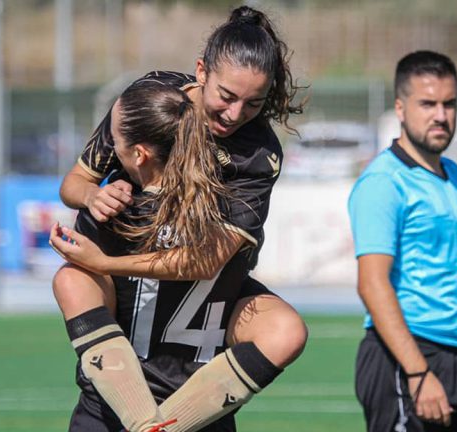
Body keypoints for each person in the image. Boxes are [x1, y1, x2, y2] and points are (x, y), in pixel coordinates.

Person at [51, 6, 308, 432]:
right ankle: (138, 418)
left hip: (198, 354)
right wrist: (94, 196)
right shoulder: (150, 99)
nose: (234, 114)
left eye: (253, 104)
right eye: (226, 96)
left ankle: (163, 427)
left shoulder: (257, 154)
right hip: (121, 347)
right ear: (201, 70)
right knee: (70, 279)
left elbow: (205, 261)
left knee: (285, 329)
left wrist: (106, 263)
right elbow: (75, 182)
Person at [348, 50, 457, 432]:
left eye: (449, 103)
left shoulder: (452, 175)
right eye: (427, 104)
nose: (441, 115)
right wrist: (417, 372)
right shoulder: (383, 182)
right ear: (400, 107)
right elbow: (372, 284)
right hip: (405, 356)